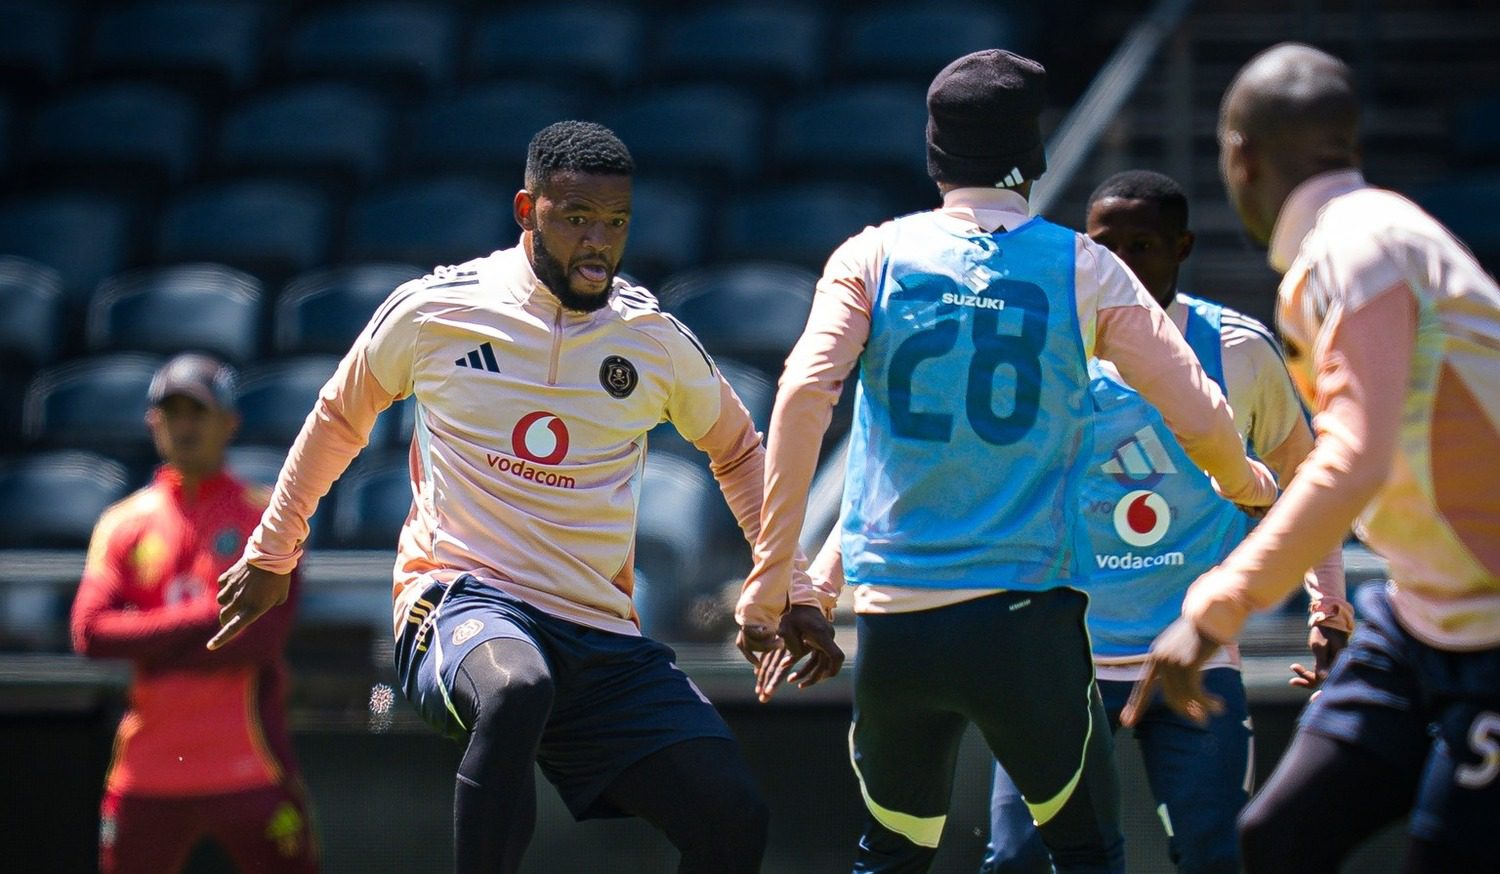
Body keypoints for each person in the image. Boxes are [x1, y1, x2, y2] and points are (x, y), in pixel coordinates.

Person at [210, 120, 835, 874]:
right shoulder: (435, 310)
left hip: (599, 639)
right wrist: (275, 548)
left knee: (733, 815)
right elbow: (339, 418)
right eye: (577, 220)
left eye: (616, 223)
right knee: (517, 688)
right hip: (460, 604)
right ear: (525, 210)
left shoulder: (652, 339)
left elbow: (737, 451)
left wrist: (788, 584)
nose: (599, 243)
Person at [737, 50, 1280, 873]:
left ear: (935, 151)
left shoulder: (871, 255)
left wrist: (779, 574)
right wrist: (1243, 481)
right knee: (1088, 852)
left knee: (888, 857)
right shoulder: (1083, 265)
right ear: (1038, 153)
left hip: (895, 624)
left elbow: (805, 393)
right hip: (1027, 628)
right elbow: (1195, 402)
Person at [1125, 43, 1500, 873]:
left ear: (1240, 157)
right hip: (1419, 618)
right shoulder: (1374, 236)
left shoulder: (1352, 249)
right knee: (1276, 839)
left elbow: (1354, 456)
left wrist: (1219, 604)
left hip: (1489, 634)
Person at [982, 170, 1351, 874]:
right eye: (1101, 246)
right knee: (1019, 861)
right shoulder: (1037, 353)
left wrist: (1327, 600)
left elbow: (1307, 478)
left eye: (1142, 244)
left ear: (1181, 247)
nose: (1118, 263)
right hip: (1063, 662)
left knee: (1214, 855)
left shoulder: (1237, 351)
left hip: (1195, 660)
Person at [70, 352, 319, 874]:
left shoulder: (266, 518)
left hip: (250, 766)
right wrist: (212, 614)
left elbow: (262, 638)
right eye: (172, 412)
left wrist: (148, 639)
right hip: (146, 775)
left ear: (229, 422)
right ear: (152, 422)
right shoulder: (122, 523)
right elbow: (90, 632)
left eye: (197, 412)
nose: (184, 426)